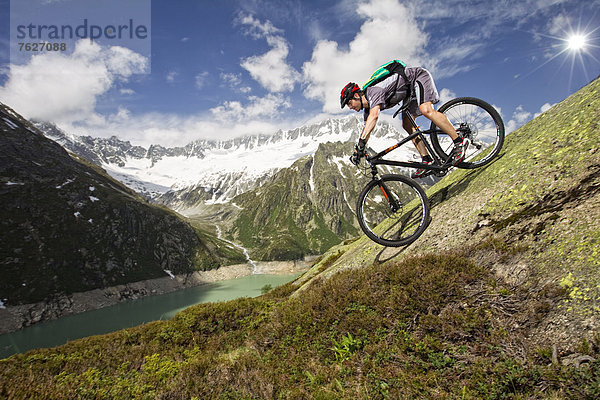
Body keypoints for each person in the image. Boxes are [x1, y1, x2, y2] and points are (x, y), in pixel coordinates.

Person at [340, 65, 469, 178]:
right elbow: (367, 129)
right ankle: (427, 160)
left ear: (356, 95)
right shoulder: (367, 109)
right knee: (407, 124)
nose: (350, 107)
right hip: (409, 92)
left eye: (349, 103)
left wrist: (362, 142)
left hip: (417, 77)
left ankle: (459, 142)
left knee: (425, 109)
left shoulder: (373, 92)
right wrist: (359, 150)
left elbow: (374, 117)